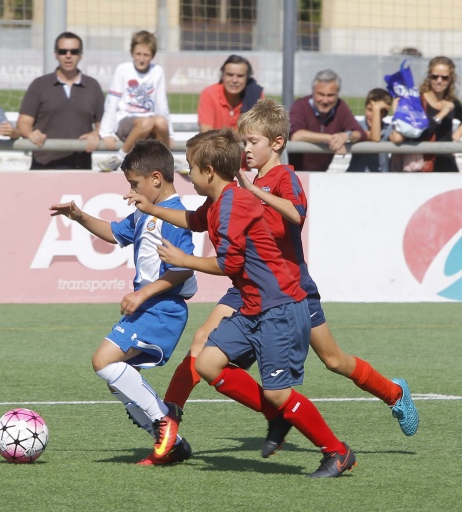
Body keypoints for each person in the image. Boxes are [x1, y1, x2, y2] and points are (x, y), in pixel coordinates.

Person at [157, 98, 418, 461]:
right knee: (202, 342)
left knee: (334, 360)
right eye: (244, 142)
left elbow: (296, 215)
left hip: (291, 289)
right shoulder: (243, 182)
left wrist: (255, 192)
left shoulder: (283, 178)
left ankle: (393, 393)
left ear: (276, 143)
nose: (246, 150)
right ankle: (170, 418)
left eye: (253, 142)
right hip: (250, 286)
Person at [127, 127, 356, 478]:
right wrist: (151, 207)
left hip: (279, 307)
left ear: (209, 172)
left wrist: (184, 260)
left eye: (190, 167)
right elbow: (192, 220)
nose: (188, 175)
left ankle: (337, 452)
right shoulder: (220, 200)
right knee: (208, 364)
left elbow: (228, 265)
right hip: (253, 306)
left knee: (280, 394)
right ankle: (275, 416)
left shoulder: (233, 204)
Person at [49, 139, 196, 465]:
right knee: (117, 376)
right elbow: (115, 232)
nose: (130, 190)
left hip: (163, 308)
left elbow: (184, 268)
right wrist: (79, 216)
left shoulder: (174, 216)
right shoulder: (146, 212)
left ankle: (163, 419)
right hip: (149, 308)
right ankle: (175, 443)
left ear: (156, 179)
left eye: (134, 183)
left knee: (104, 361)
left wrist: (142, 292)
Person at [18, 32, 104, 170]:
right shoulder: (39, 85)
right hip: (44, 164)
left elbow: (103, 123)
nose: (68, 55)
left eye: (74, 51)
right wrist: (30, 134)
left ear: (80, 55)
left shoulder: (93, 86)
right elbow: (23, 122)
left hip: (80, 164)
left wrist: (96, 133)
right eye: (63, 51)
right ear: (56, 54)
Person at [98, 31, 174, 172]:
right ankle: (120, 158)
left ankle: (167, 161)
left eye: (146, 55)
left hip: (149, 123)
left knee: (161, 121)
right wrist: (105, 132)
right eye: (138, 54)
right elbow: (112, 101)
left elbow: (162, 104)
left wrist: (170, 134)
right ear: (132, 53)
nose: (142, 59)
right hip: (126, 121)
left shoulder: (157, 71)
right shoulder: (123, 70)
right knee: (146, 122)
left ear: (152, 56)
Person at [391, 56, 462, 172]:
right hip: (422, 164)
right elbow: (419, 134)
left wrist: (455, 138)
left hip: (446, 163)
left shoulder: (453, 102)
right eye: (435, 76)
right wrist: (441, 114)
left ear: (450, 80)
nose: (439, 81)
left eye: (444, 78)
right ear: (429, 76)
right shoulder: (418, 101)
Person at [289, 69, 367, 171]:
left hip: (319, 176)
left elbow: (360, 133)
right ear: (313, 92)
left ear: (338, 94)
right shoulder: (300, 105)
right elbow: (296, 135)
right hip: (292, 175)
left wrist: (345, 136)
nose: (325, 100)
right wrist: (331, 139)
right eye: (320, 94)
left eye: (330, 95)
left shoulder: (341, 107)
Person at [196, 54, 264, 132]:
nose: (234, 80)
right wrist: (241, 134)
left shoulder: (255, 95)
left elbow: (257, 132)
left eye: (240, 76)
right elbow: (206, 133)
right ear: (222, 76)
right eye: (230, 75)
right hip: (214, 144)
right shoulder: (209, 94)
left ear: (247, 78)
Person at [346, 88, 393, 172]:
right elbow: (371, 136)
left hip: (381, 178)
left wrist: (396, 108)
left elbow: (398, 136)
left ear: (385, 114)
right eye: (370, 110)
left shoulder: (388, 128)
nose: (372, 115)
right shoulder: (357, 125)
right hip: (356, 177)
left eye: (379, 111)